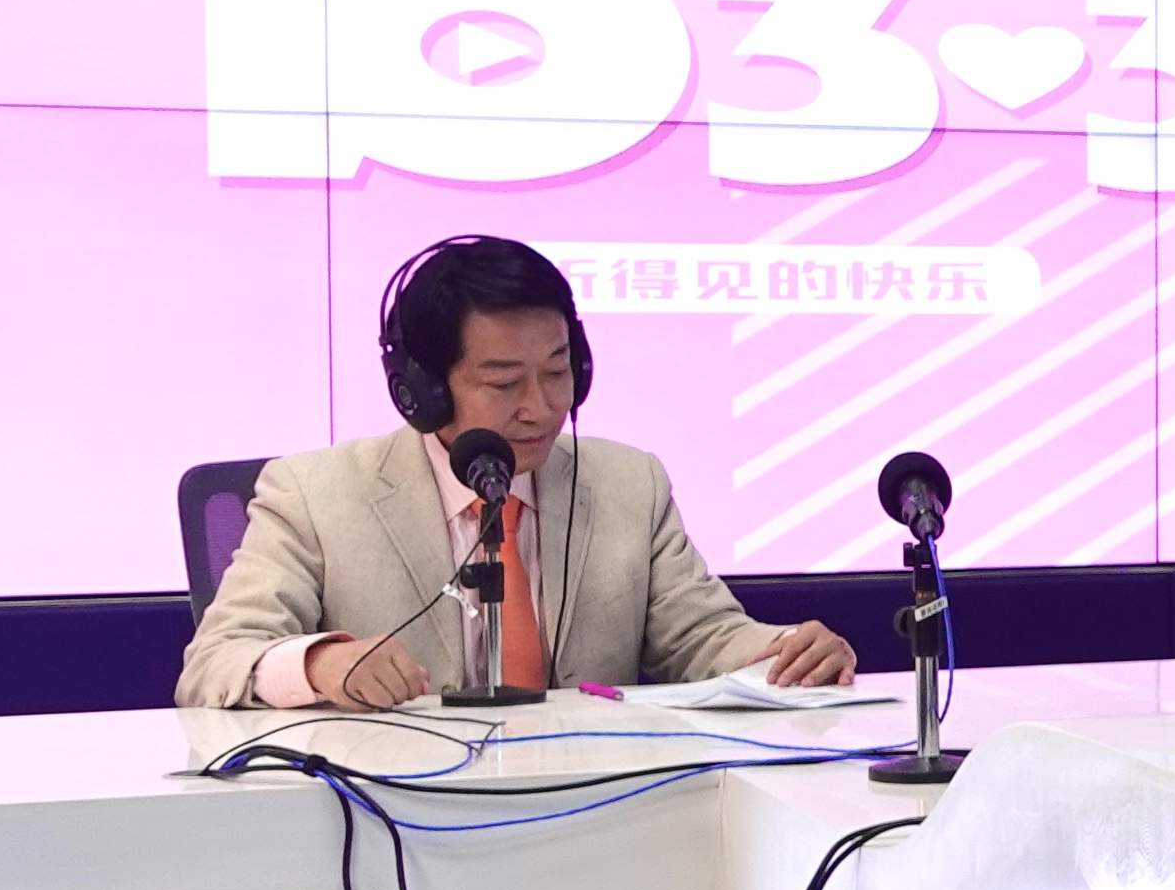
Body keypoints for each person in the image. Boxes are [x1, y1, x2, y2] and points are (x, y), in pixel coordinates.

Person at [181, 233, 858, 711]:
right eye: (503, 382)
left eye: (558, 373)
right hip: (394, 817)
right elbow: (215, 660)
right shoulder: (312, 494)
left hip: (595, 807)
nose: (541, 407)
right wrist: (318, 663)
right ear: (422, 390)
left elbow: (702, 637)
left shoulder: (630, 484)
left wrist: (785, 652)